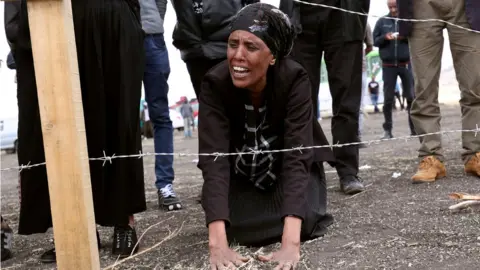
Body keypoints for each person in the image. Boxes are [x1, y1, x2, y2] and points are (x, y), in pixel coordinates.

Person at [198, 4, 335, 269]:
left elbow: (297, 157)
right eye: (232, 44)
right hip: (243, 173)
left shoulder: (294, 78)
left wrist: (290, 244)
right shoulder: (214, 83)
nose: (237, 56)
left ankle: (286, 222)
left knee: (304, 221)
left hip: (286, 170)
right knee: (229, 227)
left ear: (273, 56)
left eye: (251, 47)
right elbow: (213, 160)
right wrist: (217, 244)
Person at [12, 0, 146, 262]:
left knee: (118, 114)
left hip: (110, 14)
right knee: (56, 121)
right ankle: (75, 227)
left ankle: (124, 219)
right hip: (48, 14)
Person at [279, 0, 370, 195]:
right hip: (300, 14)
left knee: (347, 98)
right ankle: (306, 169)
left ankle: (348, 171)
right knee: (299, 98)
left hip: (344, 12)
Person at [397, 0, 480, 181]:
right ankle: (431, 157)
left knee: (474, 86)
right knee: (424, 88)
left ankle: (475, 153)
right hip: (420, 5)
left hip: (467, 5)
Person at [140, 0, 182, 211]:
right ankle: (130, 190)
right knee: (123, 116)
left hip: (152, 39)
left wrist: (153, 21)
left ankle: (165, 184)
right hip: (120, 35)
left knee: (161, 115)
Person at [170, 0, 259, 99]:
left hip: (228, 41)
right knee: (208, 104)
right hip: (193, 45)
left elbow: (254, 6)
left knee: (240, 102)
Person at [373, 0, 415, 139]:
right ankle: (387, 130)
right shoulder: (381, 22)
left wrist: (404, 37)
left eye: (395, 7)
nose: (393, 9)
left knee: (410, 97)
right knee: (388, 99)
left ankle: (414, 129)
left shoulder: (406, 20)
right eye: (390, 7)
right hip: (388, 66)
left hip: (405, 64)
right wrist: (385, 37)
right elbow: (375, 41)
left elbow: (414, 38)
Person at [359, 22, 374, 146]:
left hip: (360, 69)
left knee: (358, 104)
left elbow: (370, 46)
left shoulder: (365, 24)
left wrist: (359, 55)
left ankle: (357, 134)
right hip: (340, 69)